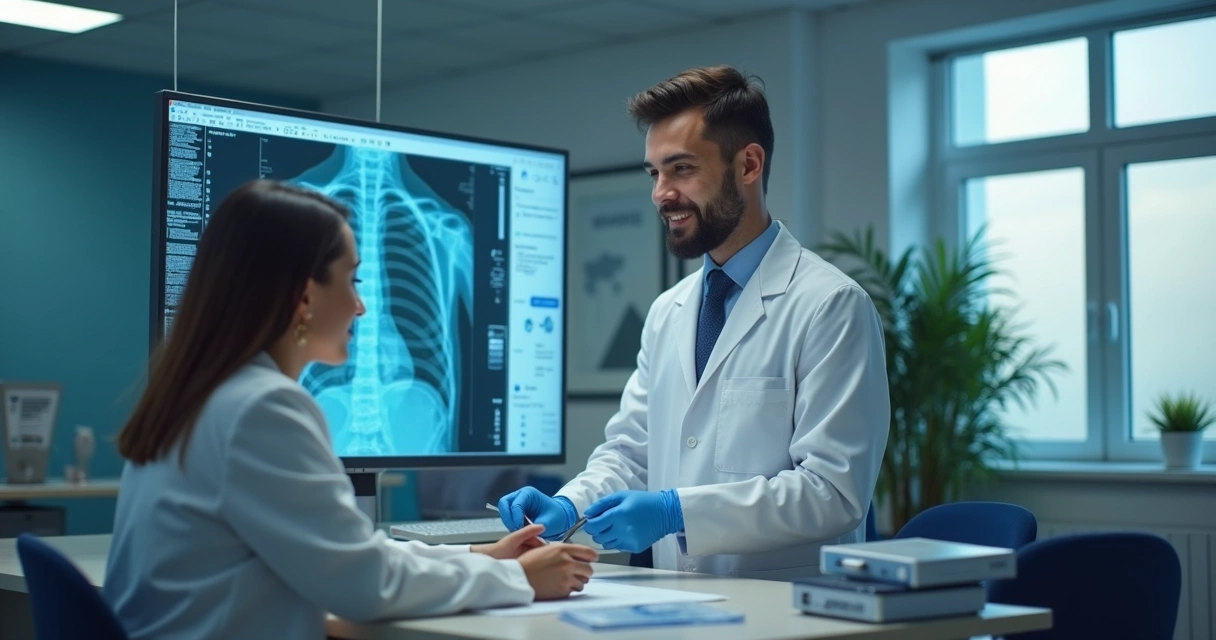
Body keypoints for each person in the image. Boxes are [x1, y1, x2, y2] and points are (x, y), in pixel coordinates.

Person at [105, 180, 597, 640]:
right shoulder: (263, 408)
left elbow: (340, 553)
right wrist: (517, 578)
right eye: (352, 280)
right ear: (304, 296)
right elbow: (363, 584)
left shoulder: (203, 395)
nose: (361, 307)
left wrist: (479, 556)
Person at [498, 66, 889, 581]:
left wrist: (676, 513)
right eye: (654, 173)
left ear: (748, 165)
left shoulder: (831, 305)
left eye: (681, 169)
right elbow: (632, 452)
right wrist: (569, 505)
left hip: (787, 612)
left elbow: (833, 492)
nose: (661, 193)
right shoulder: (669, 312)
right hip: (676, 603)